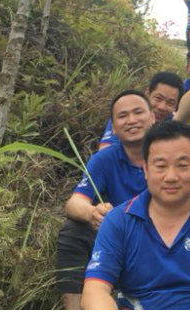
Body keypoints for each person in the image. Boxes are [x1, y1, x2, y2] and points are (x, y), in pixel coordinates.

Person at [81, 121, 190, 309]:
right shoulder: (119, 220)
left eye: (182, 165)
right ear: (146, 169)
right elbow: (94, 290)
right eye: (161, 166)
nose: (171, 177)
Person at [57, 91, 157, 310]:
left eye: (138, 112)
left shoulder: (167, 153)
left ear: (152, 117)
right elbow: (74, 203)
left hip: (161, 237)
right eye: (123, 116)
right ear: (114, 126)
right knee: (73, 231)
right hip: (119, 237)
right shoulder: (105, 159)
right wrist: (93, 213)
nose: (131, 120)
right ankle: (73, 309)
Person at [97, 72, 184, 150]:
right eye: (158, 98)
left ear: (177, 106)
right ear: (147, 93)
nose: (162, 107)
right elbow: (105, 148)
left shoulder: (176, 123)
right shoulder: (127, 117)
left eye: (170, 103)